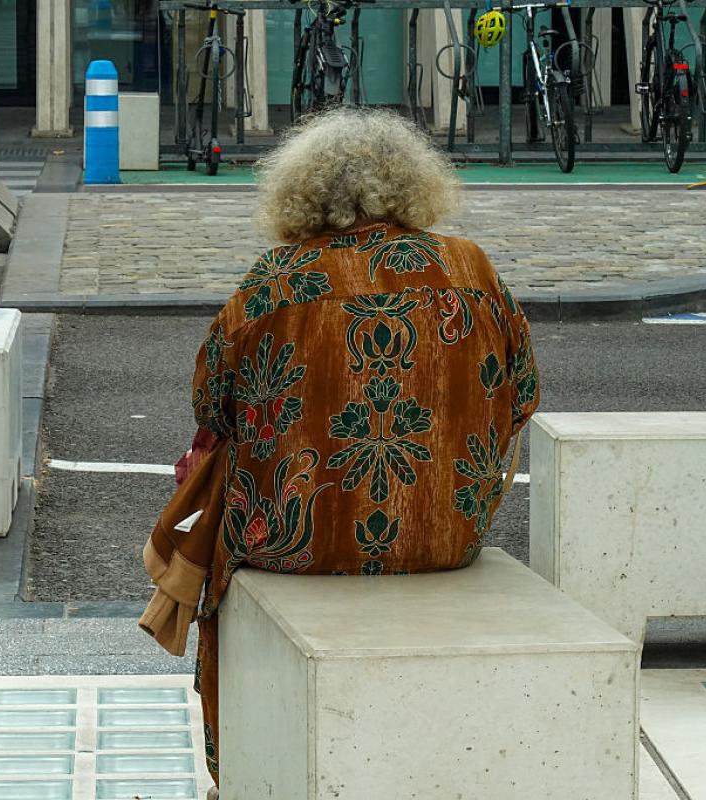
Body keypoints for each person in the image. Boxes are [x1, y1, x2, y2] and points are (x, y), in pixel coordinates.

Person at [151, 106, 539, 797]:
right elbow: (526, 391)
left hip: (293, 543)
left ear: (298, 192)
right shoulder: (470, 267)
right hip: (443, 534)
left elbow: (212, 406)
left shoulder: (275, 281)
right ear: (417, 185)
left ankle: (240, 767)